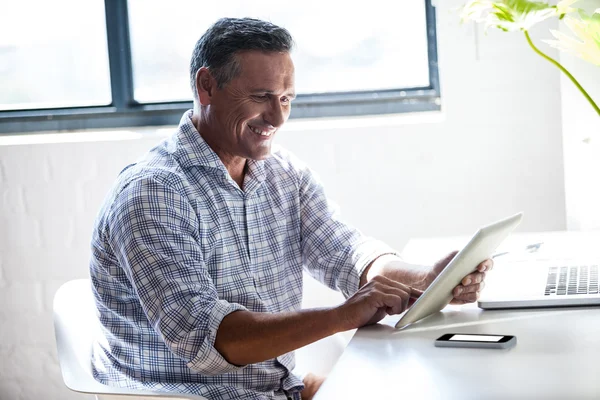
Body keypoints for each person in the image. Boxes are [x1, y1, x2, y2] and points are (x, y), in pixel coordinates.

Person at [89, 17, 492, 400]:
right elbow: (211, 339)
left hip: (280, 389)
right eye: (261, 97)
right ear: (207, 86)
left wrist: (430, 279)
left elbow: (345, 252)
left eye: (285, 98)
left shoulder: (280, 172)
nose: (278, 117)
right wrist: (343, 315)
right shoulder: (154, 193)